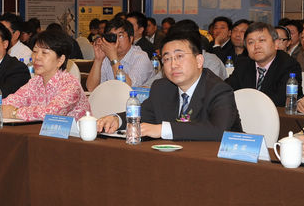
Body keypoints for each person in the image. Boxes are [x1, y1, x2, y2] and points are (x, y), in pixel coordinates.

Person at [97, 29, 242, 141]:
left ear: (199, 61)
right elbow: (144, 114)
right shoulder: (162, 87)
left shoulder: (218, 89)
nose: (173, 64)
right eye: (167, 59)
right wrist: (117, 119)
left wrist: (162, 130)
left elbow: (218, 130)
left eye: (179, 56)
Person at [2, 28, 90, 121]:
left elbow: (51, 114)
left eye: (44, 53)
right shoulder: (35, 82)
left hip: (73, 131)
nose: (37, 57)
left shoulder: (70, 84)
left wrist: (14, 112)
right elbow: (7, 103)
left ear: (60, 60)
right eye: (35, 51)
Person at [226, 22, 302, 107]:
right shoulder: (243, 64)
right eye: (251, 42)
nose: (256, 46)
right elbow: (226, 89)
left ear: (276, 44)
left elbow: (281, 100)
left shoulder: (289, 65)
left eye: (261, 40)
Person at [143, 19, 227, 85]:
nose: (173, 64)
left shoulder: (211, 61)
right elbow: (155, 80)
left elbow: (207, 90)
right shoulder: (171, 60)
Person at [86, 17, 154, 92]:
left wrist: (113, 57)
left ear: (131, 39)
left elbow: (127, 89)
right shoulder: (106, 56)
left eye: (120, 36)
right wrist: (98, 59)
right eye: (112, 36)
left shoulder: (141, 57)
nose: (116, 41)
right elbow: (91, 88)